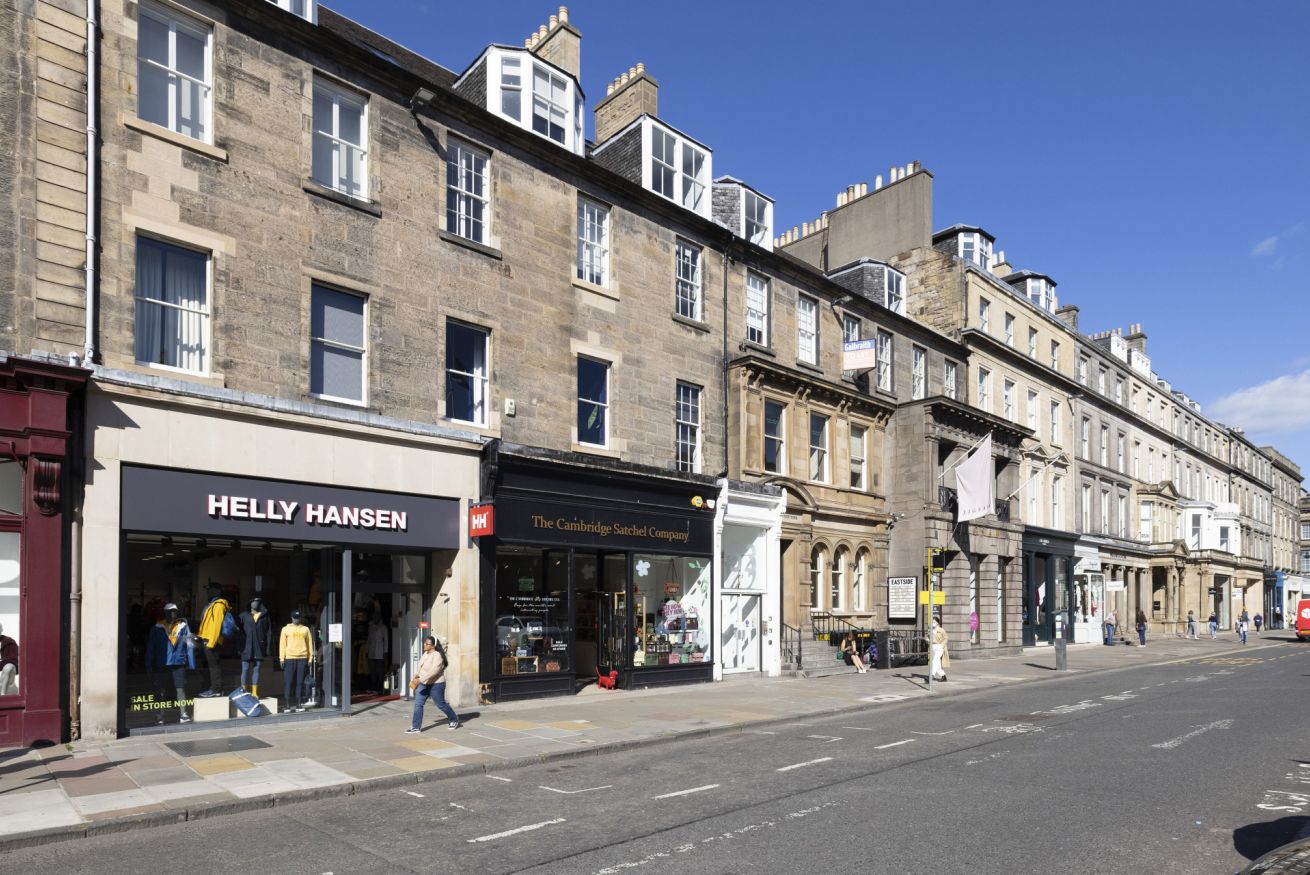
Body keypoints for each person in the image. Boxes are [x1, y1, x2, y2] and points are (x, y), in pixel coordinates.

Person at [407, 635, 460, 732]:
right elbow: (420, 668)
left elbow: (434, 671)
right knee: (418, 704)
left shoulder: (437, 656)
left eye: (427, 644)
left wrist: (420, 679)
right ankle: (415, 727)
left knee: (441, 704)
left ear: (433, 646)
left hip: (436, 685)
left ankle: (454, 719)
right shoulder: (425, 654)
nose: (424, 644)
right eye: (425, 643)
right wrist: (415, 676)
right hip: (423, 684)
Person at [279, 610, 314, 713]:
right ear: (291, 617)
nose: (296, 619)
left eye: (298, 617)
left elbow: (309, 644)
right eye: (295, 617)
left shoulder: (306, 629)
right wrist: (282, 658)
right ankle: (287, 704)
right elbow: (282, 644)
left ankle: (298, 703)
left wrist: (310, 658)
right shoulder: (285, 629)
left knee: (299, 682)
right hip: (289, 658)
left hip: (302, 658)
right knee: (288, 682)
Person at [929, 618, 950, 682]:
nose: (933, 623)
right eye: (932, 622)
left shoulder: (941, 630)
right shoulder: (931, 630)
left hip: (939, 647)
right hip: (933, 647)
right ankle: (943, 676)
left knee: (935, 660)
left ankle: (931, 675)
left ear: (937, 622)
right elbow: (928, 638)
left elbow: (946, 638)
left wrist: (942, 645)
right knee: (937, 664)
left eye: (934, 622)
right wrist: (927, 640)